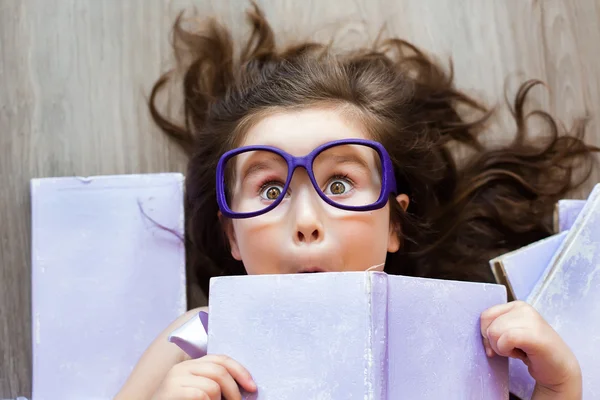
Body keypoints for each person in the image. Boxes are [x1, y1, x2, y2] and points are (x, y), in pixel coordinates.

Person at [116, 3, 596, 399]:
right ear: (232, 236)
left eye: (340, 184)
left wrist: (558, 385)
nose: (305, 221)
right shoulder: (195, 338)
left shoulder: (465, 338)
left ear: (394, 225)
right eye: (269, 189)